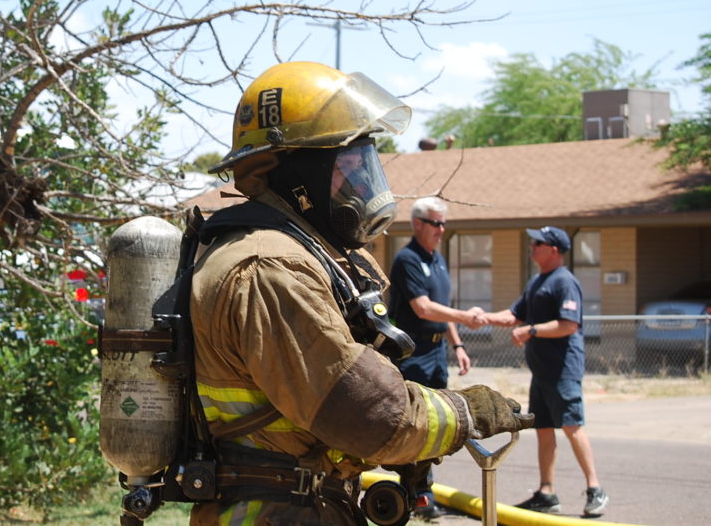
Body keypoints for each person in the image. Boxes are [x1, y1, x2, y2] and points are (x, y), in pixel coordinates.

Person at [188, 61, 532, 526]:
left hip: (303, 502)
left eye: (364, 166)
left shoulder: (308, 255)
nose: (363, 186)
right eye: (347, 168)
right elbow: (371, 418)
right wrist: (465, 412)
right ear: (296, 175)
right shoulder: (270, 268)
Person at [484, 225, 609, 518]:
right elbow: (513, 315)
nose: (532, 246)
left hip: (563, 370)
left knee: (572, 426)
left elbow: (568, 325)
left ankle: (595, 489)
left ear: (553, 250)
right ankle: (546, 493)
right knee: (542, 429)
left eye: (537, 243)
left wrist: (531, 330)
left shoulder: (565, 282)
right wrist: (481, 318)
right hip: (540, 372)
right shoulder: (537, 281)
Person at [388, 196, 487, 520]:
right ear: (418, 224)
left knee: (438, 423)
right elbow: (423, 308)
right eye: (435, 223)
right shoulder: (408, 260)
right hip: (413, 352)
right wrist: (466, 317)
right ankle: (415, 494)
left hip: (437, 353)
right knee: (416, 424)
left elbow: (441, 312)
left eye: (443, 224)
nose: (441, 230)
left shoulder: (438, 261)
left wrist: (458, 346)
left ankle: (422, 490)